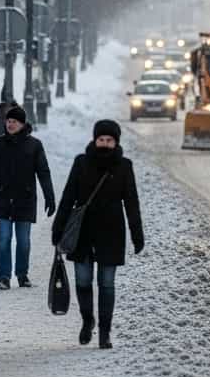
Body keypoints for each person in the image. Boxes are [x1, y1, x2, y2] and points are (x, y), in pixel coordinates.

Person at [51, 120, 144, 350]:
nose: (104, 144)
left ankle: (104, 332)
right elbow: (68, 197)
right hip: (83, 233)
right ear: (94, 140)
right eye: (101, 139)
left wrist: (137, 234)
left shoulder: (124, 166)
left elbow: (131, 202)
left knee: (106, 284)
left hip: (111, 233)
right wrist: (58, 228)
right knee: (83, 281)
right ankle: (87, 320)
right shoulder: (81, 163)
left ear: (116, 142)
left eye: (109, 140)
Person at [0, 105, 54, 290]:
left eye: (14, 121)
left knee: (23, 241)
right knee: (4, 239)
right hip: (2, 199)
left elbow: (43, 172)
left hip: (25, 199)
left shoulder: (34, 145)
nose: (10, 124)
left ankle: (22, 275)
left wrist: (50, 197)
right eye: (8, 121)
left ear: (22, 124)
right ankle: (4, 277)